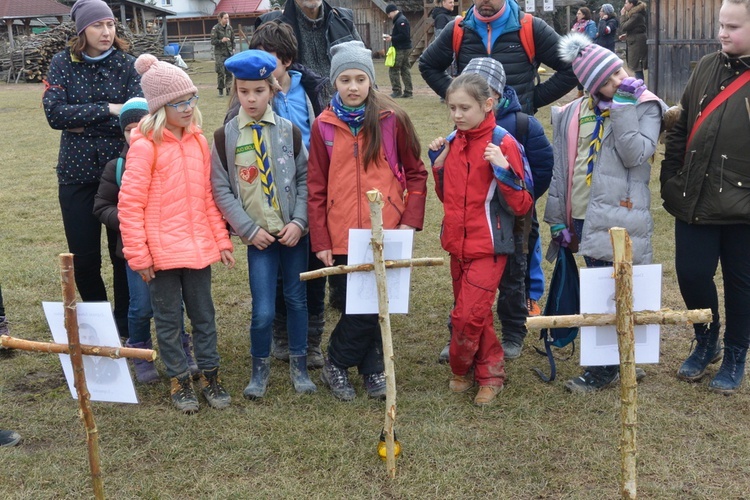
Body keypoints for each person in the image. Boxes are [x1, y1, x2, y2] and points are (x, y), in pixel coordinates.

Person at [308, 41, 428, 401]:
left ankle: (351, 365)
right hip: (342, 234)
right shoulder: (323, 126)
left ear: (371, 81)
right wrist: (322, 241)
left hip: (385, 230)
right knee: (356, 307)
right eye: (345, 79)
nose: (353, 87)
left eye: (360, 78)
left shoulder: (393, 121)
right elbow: (315, 186)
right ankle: (358, 366)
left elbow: (416, 173)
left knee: (377, 307)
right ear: (335, 83)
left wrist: (409, 221)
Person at [546, 33, 664, 393]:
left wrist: (624, 107)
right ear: (590, 85)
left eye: (618, 72)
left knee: (618, 289)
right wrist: (557, 219)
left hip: (621, 215)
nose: (617, 81)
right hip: (582, 214)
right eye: (606, 80)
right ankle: (618, 358)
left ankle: (605, 368)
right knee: (598, 288)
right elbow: (562, 169)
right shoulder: (572, 114)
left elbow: (635, 155)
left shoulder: (645, 105)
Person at [118, 54, 235, 414]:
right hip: (162, 256)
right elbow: (130, 205)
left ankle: (210, 375)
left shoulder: (200, 142)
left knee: (204, 316)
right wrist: (139, 255)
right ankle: (179, 379)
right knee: (168, 322)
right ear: (159, 107)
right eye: (178, 103)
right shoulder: (144, 147)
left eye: (191, 99)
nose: (188, 108)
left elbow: (208, 199)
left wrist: (221, 240)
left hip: (199, 251)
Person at [211, 50, 316, 398]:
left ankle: (299, 367)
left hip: (292, 236)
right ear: (235, 91)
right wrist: (247, 229)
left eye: (258, 90)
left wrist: (300, 222)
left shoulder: (289, 132)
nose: (251, 98)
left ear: (271, 90)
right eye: (244, 91)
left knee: (297, 300)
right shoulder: (225, 137)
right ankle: (259, 370)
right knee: (263, 309)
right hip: (259, 240)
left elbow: (305, 179)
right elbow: (222, 188)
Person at [428, 73, 534, 405]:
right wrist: (438, 165)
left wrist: (503, 170)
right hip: (457, 246)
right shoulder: (453, 141)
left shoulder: (502, 143)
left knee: (466, 316)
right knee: (477, 314)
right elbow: (447, 198)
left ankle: (462, 368)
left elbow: (522, 204)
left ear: (488, 105)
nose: (457, 115)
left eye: (464, 108)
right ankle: (489, 374)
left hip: (490, 247)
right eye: (452, 108)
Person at [661, 0, 750, 395]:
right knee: (692, 273)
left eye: (733, 26)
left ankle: (735, 353)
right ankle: (707, 339)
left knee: (740, 284)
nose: (722, 33)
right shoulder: (707, 66)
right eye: (721, 24)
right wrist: (670, 176)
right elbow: (680, 126)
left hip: (743, 208)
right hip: (694, 197)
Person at [43, 0, 141, 341]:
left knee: (123, 256)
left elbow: (136, 117)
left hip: (121, 174)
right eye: (98, 25)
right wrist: (109, 110)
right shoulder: (60, 64)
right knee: (84, 261)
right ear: (82, 30)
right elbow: (55, 115)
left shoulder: (127, 66)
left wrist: (84, 120)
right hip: (76, 176)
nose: (106, 32)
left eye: (111, 24)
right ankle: (103, 328)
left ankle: (127, 327)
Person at [241, 22, 329, 369]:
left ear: (288, 59)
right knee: (277, 271)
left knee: (313, 267)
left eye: (269, 58)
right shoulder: (252, 95)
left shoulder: (313, 90)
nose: (261, 65)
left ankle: (312, 339)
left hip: (312, 191)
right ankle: (281, 333)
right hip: (269, 198)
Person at [93, 97, 200, 384]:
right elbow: (102, 206)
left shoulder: (169, 156)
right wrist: (131, 217)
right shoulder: (116, 167)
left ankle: (181, 349)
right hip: (135, 250)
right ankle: (139, 350)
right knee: (140, 306)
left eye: (138, 126)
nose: (133, 133)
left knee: (173, 305)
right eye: (127, 128)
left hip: (169, 247)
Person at [418, 0, 578, 115]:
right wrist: (458, 96)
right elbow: (428, 64)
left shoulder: (531, 26)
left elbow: (572, 67)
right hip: (470, 132)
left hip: (517, 130)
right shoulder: (457, 29)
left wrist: (531, 100)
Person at [254, 0, 360, 104]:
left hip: (347, 113)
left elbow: (365, 71)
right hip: (298, 116)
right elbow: (253, 80)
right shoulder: (272, 27)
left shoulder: (343, 20)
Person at [384, 4, 413, 99]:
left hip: (401, 49)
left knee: (394, 69)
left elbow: (404, 36)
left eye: (389, 14)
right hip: (405, 48)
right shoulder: (400, 19)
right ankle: (408, 92)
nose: (389, 16)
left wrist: (392, 38)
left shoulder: (401, 21)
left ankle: (397, 91)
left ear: (393, 11)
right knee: (405, 70)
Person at [571, 7, 597, 97]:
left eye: (579, 13)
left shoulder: (590, 24)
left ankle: (591, 91)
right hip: (577, 51)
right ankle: (580, 92)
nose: (577, 15)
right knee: (578, 71)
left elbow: (591, 37)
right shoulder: (576, 24)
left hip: (587, 51)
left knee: (588, 71)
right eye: (577, 13)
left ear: (584, 15)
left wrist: (578, 35)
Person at [619, 0, 648, 81]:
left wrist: (622, 15)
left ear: (631, 4)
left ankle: (640, 87)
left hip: (637, 43)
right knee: (636, 67)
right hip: (635, 40)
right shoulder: (635, 14)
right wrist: (627, 35)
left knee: (637, 67)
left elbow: (623, 27)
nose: (624, 5)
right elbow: (637, 28)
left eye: (626, 3)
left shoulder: (636, 15)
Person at [211, 12, 235, 97]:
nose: (227, 20)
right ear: (220, 18)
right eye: (225, 18)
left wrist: (233, 48)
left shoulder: (229, 28)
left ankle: (229, 90)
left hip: (228, 53)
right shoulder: (216, 28)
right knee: (220, 72)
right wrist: (221, 40)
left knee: (229, 72)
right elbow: (213, 41)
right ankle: (220, 90)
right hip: (220, 54)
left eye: (228, 18)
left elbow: (233, 40)